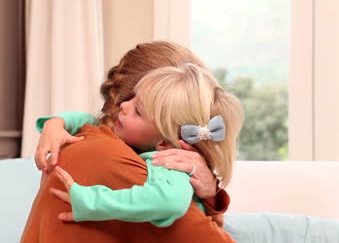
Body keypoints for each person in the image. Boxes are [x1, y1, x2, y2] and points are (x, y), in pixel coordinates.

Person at [21, 41, 238, 242]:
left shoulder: (89, 139)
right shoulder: (118, 161)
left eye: (138, 109)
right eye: (135, 103)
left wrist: (210, 193)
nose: (127, 107)